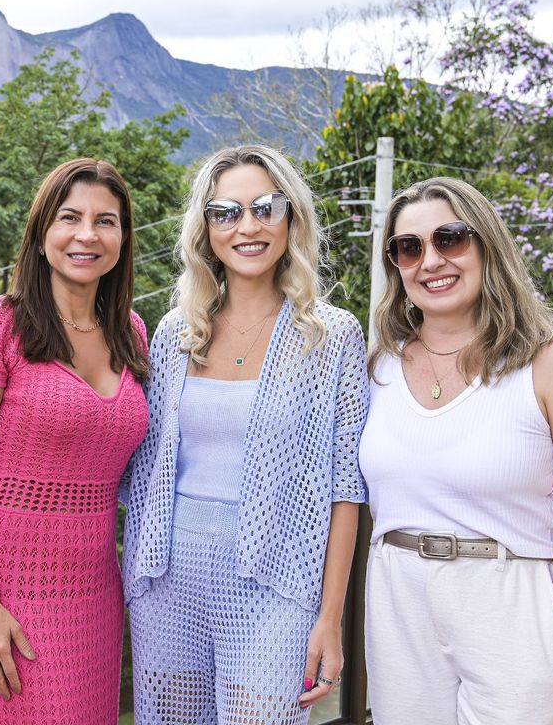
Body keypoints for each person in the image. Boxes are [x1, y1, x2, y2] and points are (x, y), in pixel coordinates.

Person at [360, 177, 553, 724]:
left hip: (512, 607)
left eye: (450, 238)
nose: (431, 261)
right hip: (397, 605)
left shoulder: (549, 361)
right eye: (409, 247)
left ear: (486, 245)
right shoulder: (378, 366)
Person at [121, 144, 368, 724]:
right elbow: (142, 464)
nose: (248, 226)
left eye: (265, 207)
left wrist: (330, 617)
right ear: (206, 230)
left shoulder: (331, 337)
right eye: (226, 212)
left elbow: (345, 488)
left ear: (291, 217)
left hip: (278, 583)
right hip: (169, 581)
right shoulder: (177, 333)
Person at [0, 158, 149, 723]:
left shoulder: (131, 333)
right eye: (70, 218)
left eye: (105, 221)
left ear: (122, 240)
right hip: (13, 589)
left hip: (98, 591)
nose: (88, 235)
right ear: (41, 235)